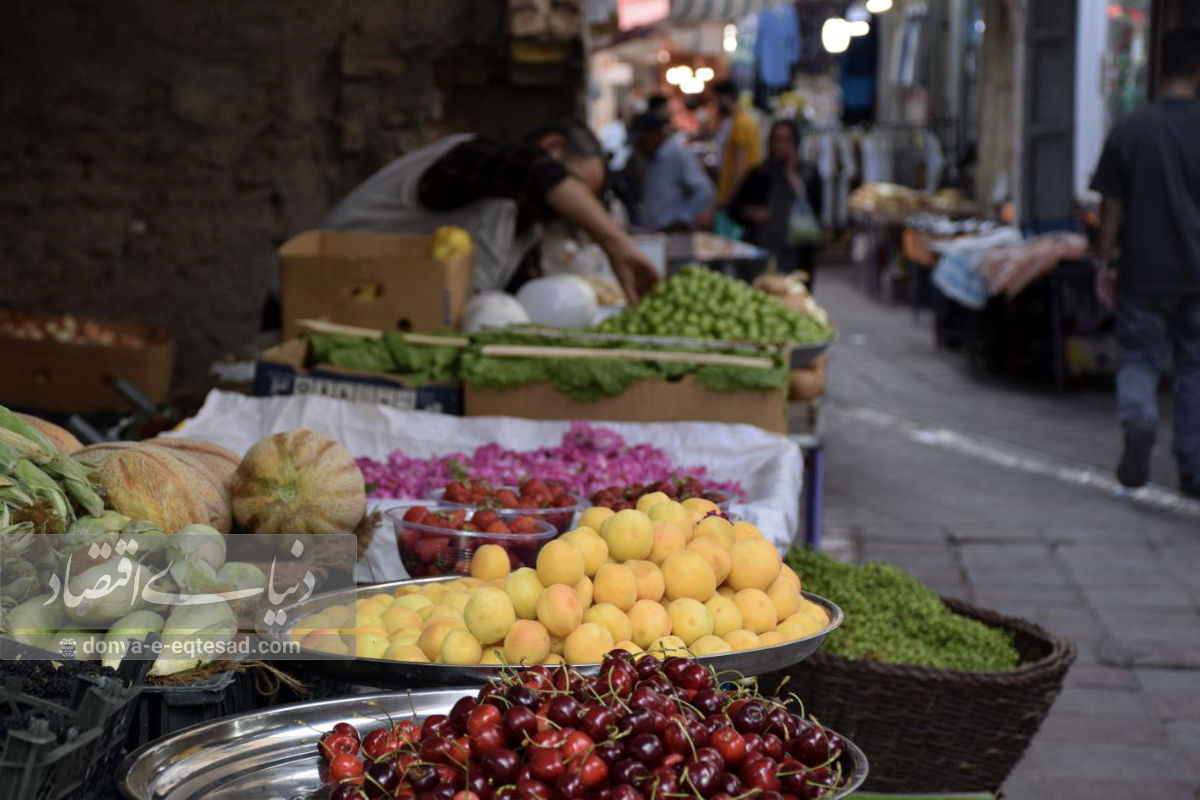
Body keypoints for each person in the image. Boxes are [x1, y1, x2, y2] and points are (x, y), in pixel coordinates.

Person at [321, 120, 659, 303]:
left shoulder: (524, 227)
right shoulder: (468, 158)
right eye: (578, 189)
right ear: (552, 147)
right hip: (317, 298)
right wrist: (617, 244)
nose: (574, 210)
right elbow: (529, 168)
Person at [1090, 27, 1200, 496]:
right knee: (1195, 369)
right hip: (1198, 275)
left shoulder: (1132, 127)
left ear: (1158, 70)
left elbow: (1110, 204)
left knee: (1139, 356)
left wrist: (1104, 258)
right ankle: (1193, 465)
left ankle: (1140, 418)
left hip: (1144, 270)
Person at [728, 120, 823, 284]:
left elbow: (814, 209)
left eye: (786, 140)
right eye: (777, 139)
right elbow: (735, 208)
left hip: (796, 254)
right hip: (763, 252)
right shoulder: (759, 174)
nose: (781, 145)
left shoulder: (808, 173)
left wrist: (790, 173)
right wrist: (752, 213)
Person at [628, 112, 716, 233]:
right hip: (651, 230)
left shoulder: (676, 154)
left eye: (642, 140)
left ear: (655, 135)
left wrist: (683, 218)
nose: (639, 145)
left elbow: (704, 191)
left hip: (673, 231)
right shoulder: (646, 157)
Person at [713, 80, 762, 209]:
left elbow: (739, 165)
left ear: (726, 97)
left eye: (717, 99)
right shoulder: (740, 121)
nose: (716, 104)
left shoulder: (741, 123)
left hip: (739, 196)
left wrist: (731, 198)